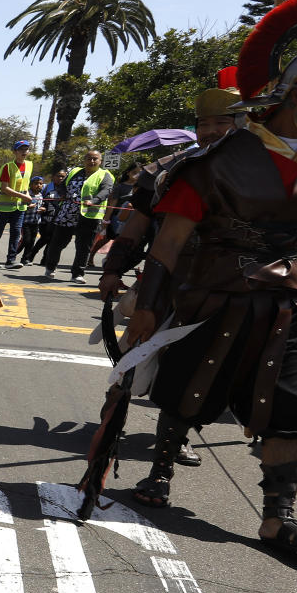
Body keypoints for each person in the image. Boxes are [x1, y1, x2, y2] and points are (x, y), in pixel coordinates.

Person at [116, 0, 297, 553]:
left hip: (292, 302)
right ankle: (159, 473)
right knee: (189, 388)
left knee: (293, 407)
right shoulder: (215, 160)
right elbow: (170, 241)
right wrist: (147, 307)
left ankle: (278, 517)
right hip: (215, 294)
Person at [97, 67, 245, 481]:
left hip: (228, 289)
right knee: (134, 358)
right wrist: (113, 270)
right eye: (205, 123)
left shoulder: (261, 176)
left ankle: (179, 435)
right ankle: (114, 413)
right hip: (167, 283)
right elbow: (136, 229)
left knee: (204, 369)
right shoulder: (168, 171)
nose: (213, 131)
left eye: (224, 121)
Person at [66, 149, 115, 281]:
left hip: (90, 216)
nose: (92, 161)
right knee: (58, 241)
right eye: (89, 158)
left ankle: (77, 273)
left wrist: (93, 201)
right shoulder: (75, 172)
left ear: (100, 161)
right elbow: (62, 186)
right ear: (84, 160)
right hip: (68, 213)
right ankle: (49, 267)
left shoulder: (105, 174)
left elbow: (106, 191)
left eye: (95, 159)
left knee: (84, 245)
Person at [0, 139, 33, 267]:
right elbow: (4, 188)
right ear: (15, 152)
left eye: (26, 149)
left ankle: (11, 260)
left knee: (16, 233)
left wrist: (27, 195)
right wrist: (23, 196)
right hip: (4, 206)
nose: (24, 152)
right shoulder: (8, 167)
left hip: (20, 207)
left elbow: (25, 185)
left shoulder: (29, 165)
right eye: (21, 149)